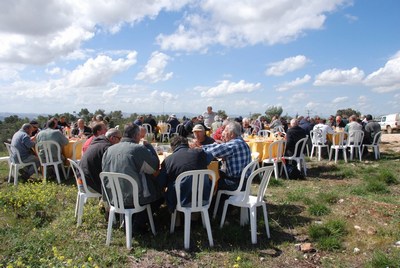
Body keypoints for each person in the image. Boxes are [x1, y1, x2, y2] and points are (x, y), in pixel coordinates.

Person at [102, 123, 162, 231]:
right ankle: (138, 222)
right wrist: (149, 146)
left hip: (113, 196)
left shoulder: (109, 150)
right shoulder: (137, 149)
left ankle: (128, 219)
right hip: (133, 198)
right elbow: (154, 168)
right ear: (136, 136)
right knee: (160, 195)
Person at [159, 136, 212, 211]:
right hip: (204, 196)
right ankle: (195, 215)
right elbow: (210, 155)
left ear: (172, 147)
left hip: (181, 199)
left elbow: (161, 182)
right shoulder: (199, 153)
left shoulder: (168, 160)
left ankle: (175, 215)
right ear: (187, 144)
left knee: (171, 184)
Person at [202, 121, 251, 191]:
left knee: (210, 180)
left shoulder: (233, 145)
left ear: (231, 134)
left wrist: (200, 147)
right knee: (217, 174)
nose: (223, 133)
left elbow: (214, 150)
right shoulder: (242, 143)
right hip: (245, 182)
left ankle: (212, 201)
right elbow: (222, 147)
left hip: (235, 183)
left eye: (225, 131)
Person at [79, 128, 122, 194]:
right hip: (90, 185)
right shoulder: (107, 148)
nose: (120, 142)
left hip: (81, 181)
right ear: (113, 138)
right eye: (119, 139)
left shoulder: (97, 142)